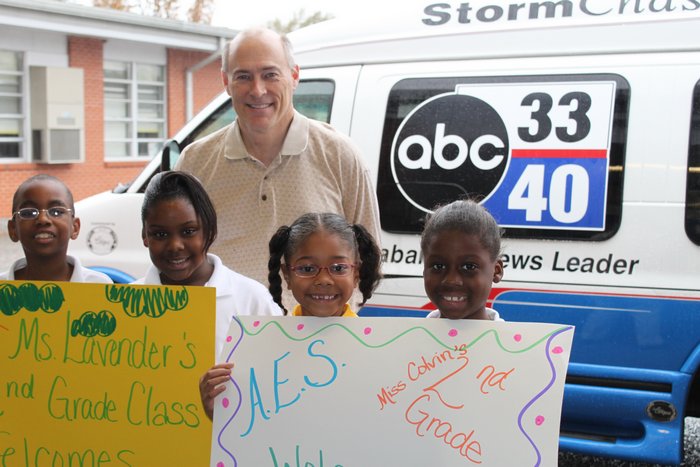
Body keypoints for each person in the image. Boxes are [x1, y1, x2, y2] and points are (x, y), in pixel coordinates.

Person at [174, 28, 381, 310]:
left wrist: (338, 326)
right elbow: (181, 261)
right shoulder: (195, 162)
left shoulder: (340, 155)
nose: (257, 90)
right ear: (226, 82)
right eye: (243, 76)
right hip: (225, 341)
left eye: (270, 74)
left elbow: (371, 258)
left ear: (294, 76)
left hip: (314, 342)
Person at [132, 171, 282, 420]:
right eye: (160, 234)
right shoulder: (127, 305)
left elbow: (278, 385)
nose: (175, 245)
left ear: (209, 231)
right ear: (144, 236)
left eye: (189, 231)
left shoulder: (251, 299)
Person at [268, 212, 382, 317]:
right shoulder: (273, 337)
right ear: (287, 276)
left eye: (338, 268)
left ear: (356, 274)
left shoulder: (370, 338)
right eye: (307, 269)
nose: (323, 280)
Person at [2, 174, 111, 283]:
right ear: (13, 229)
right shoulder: (3, 287)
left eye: (56, 212)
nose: (43, 219)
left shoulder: (99, 286)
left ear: (75, 227)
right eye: (29, 213)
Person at [420, 199, 504, 321]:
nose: (451, 280)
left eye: (469, 267)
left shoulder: (512, 339)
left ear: (496, 271)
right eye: (438, 266)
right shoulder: (409, 339)